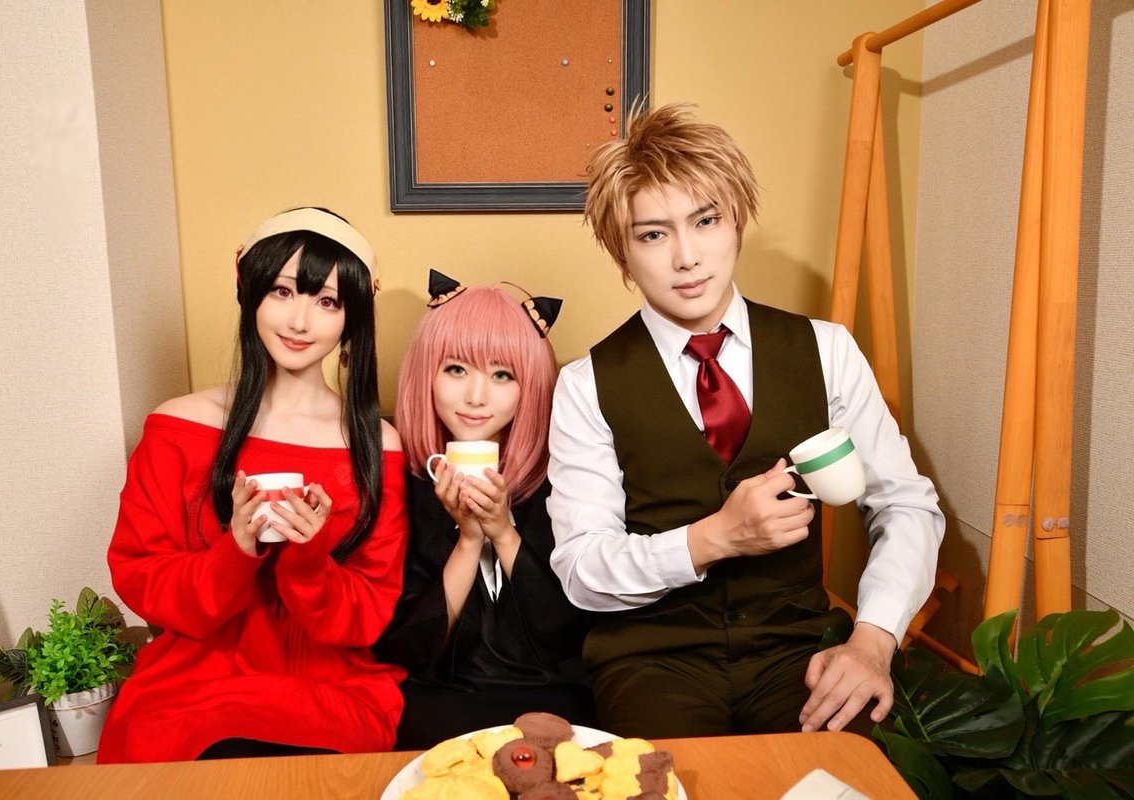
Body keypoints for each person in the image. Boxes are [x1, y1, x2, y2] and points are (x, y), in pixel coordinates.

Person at [546, 104, 944, 738]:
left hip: (798, 649)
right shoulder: (585, 384)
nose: (687, 257)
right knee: (670, 779)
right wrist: (715, 538)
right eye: (653, 235)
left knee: (838, 776)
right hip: (652, 661)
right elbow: (582, 570)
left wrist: (873, 639)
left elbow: (905, 504)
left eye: (706, 221)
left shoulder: (826, 350)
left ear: (736, 220)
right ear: (622, 251)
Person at [97, 208, 408, 762]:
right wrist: (235, 548)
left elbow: (371, 608)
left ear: (353, 315)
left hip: (327, 679)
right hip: (194, 677)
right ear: (249, 288)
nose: (300, 321)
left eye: (327, 301)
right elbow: (141, 574)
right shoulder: (176, 426)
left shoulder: (377, 445)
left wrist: (308, 559)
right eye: (282, 292)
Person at [374, 272, 596, 749]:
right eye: (456, 369)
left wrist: (502, 531)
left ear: (529, 385)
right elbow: (407, 648)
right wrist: (469, 539)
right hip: (438, 697)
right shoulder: (398, 481)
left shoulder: (565, 476)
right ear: (426, 373)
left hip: (551, 695)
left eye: (502, 375)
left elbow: (567, 637)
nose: (476, 396)